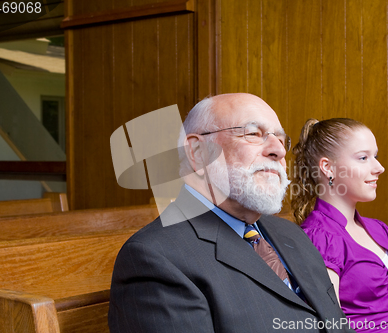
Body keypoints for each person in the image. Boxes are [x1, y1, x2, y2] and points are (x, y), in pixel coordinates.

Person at [108, 94, 354, 333]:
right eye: (253, 134)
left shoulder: (291, 234)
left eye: (280, 139)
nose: (278, 150)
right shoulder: (155, 258)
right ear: (198, 152)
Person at [292, 118, 388, 333]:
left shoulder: (379, 230)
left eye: (376, 156)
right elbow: (331, 327)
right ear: (328, 167)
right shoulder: (320, 237)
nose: (379, 168)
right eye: (363, 158)